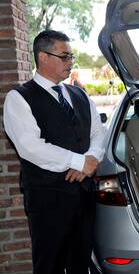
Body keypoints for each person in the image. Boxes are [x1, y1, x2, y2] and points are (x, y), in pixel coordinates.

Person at [3, 30, 106, 274]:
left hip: (84, 195)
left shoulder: (79, 94)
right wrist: (79, 162)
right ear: (43, 57)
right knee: (49, 265)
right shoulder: (19, 98)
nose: (70, 62)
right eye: (64, 56)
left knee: (81, 263)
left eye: (71, 57)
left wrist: (91, 160)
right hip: (48, 200)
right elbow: (31, 147)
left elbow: (98, 132)